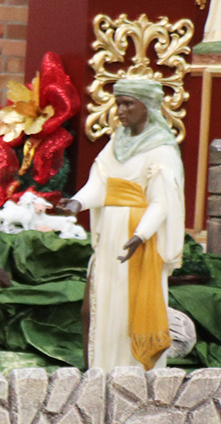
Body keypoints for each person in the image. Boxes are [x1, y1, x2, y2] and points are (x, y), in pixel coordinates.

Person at [54, 78, 185, 371]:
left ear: (147, 106)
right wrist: (77, 203)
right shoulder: (117, 142)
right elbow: (101, 182)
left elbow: (163, 201)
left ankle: (131, 373)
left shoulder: (162, 149)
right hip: (111, 236)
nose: (121, 111)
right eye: (118, 104)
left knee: (127, 307)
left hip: (136, 239)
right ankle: (99, 370)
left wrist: (141, 235)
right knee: (98, 307)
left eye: (128, 104)